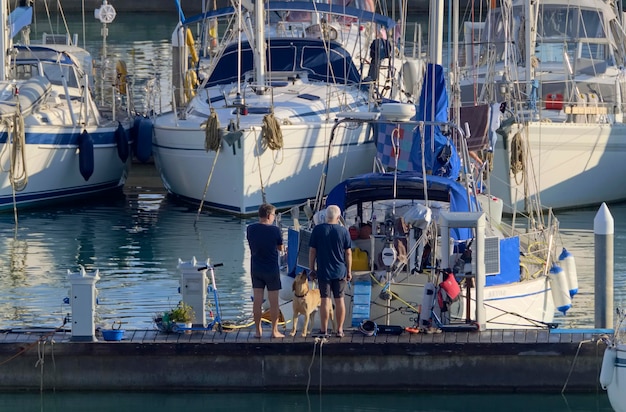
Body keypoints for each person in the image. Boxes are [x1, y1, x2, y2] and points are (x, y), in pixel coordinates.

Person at [308, 204, 352, 337]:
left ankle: (324, 330)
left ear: (326, 216)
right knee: (339, 300)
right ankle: (339, 330)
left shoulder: (318, 230)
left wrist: (312, 269)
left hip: (323, 271)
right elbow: (348, 253)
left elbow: (312, 251)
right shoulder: (344, 231)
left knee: (325, 300)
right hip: (339, 271)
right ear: (338, 217)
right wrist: (349, 271)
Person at [246, 203, 285, 338]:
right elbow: (280, 247)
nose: (274, 218)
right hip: (271, 269)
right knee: (274, 301)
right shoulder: (275, 230)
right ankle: (274, 331)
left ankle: (258, 331)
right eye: (274, 215)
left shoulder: (250, 229)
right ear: (269, 215)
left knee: (257, 301)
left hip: (256, 268)